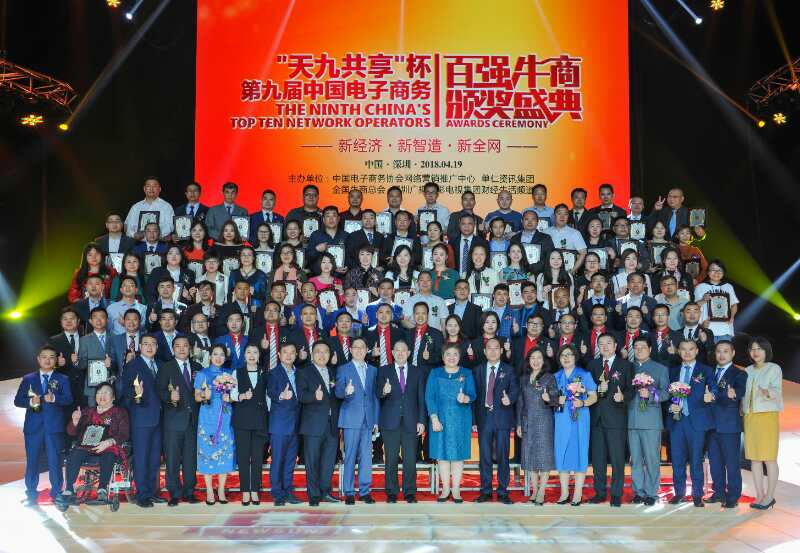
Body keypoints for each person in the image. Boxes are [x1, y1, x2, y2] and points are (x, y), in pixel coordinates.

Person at [15, 344, 73, 506]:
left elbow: (68, 399)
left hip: (53, 427)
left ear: (56, 361)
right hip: (33, 428)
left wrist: (54, 398)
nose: (48, 360)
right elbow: (18, 400)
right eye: (44, 357)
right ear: (38, 359)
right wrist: (30, 402)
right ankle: (31, 494)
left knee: (55, 461)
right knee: (32, 461)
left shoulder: (62, 379)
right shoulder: (28, 379)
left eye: (51, 357)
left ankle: (57, 493)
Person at [61, 383, 129, 505]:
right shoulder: (88, 411)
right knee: (75, 452)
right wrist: (75, 421)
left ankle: (102, 489)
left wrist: (109, 442)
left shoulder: (119, 412)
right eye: (99, 393)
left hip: (108, 447)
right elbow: (71, 432)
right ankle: (69, 489)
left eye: (106, 392)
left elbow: (124, 433)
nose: (102, 395)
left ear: (113, 397)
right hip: (86, 448)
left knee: (109, 454)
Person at [666, 339, 714, 507]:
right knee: (677, 459)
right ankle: (679, 493)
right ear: (678, 351)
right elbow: (666, 393)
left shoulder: (706, 370)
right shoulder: (672, 371)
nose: (687, 352)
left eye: (691, 349)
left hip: (696, 421)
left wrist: (711, 395)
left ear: (696, 351)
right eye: (683, 349)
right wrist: (671, 406)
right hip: (676, 421)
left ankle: (697, 495)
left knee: (696, 460)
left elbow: (713, 389)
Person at [377, 339, 426, 503]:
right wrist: (384, 391)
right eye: (397, 350)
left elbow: (421, 398)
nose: (400, 353)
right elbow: (377, 394)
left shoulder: (417, 371)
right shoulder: (383, 371)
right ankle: (391, 492)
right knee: (391, 459)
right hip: (389, 422)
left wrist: (421, 420)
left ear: (409, 353)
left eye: (403, 350)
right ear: (392, 353)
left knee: (410, 460)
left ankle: (409, 492)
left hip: (411, 421)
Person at [426, 343, 476, 502]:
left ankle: (456, 489)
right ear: (443, 357)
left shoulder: (466, 373)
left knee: (457, 455)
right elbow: (429, 397)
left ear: (459, 357)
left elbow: (473, 394)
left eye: (455, 354)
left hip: (461, 420)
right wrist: (434, 418)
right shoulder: (435, 373)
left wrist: (466, 398)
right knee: (441, 455)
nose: (451, 357)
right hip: (439, 420)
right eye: (448, 354)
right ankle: (445, 488)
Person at [587, 334, 633, 506]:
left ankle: (616, 494)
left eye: (608, 343)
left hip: (616, 418)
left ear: (615, 345)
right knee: (598, 460)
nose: (605, 346)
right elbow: (587, 389)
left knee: (617, 459)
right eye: (601, 344)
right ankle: (599, 492)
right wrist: (598, 389)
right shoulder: (592, 365)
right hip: (596, 419)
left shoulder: (626, 365)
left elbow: (631, 389)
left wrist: (623, 397)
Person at [119, 335, 164, 507]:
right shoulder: (133, 365)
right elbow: (124, 391)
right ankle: (142, 494)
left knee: (154, 458)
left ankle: (152, 492)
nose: (149, 347)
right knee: (142, 458)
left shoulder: (160, 364)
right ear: (140, 347)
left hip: (159, 418)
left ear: (157, 347)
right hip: (141, 418)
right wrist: (136, 394)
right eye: (146, 344)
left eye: (153, 344)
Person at [473, 338, 519, 504]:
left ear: (501, 351)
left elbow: (515, 390)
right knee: (484, 457)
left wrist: (510, 399)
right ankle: (485, 490)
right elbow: (474, 396)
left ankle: (502, 491)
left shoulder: (509, 370)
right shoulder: (477, 370)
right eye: (489, 348)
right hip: (484, 418)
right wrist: (474, 420)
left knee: (502, 456)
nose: (492, 351)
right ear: (484, 352)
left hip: (502, 418)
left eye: (496, 348)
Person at [157, 336, 201, 506]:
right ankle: (174, 493)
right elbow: (159, 390)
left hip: (193, 421)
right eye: (178, 346)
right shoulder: (166, 367)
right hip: (173, 421)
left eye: (185, 345)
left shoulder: (197, 367)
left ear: (190, 348)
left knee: (191, 460)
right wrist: (170, 396)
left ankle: (189, 492)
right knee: (173, 459)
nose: (182, 349)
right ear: (173, 348)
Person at [336, 337, 379, 504]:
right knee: (350, 456)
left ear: (367, 350)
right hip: (351, 418)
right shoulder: (343, 369)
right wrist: (346, 391)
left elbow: (374, 397)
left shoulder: (373, 370)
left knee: (366, 457)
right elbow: (338, 392)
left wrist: (376, 420)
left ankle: (365, 491)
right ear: (350, 350)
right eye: (356, 347)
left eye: (362, 347)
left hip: (368, 419)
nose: (359, 350)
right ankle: (349, 492)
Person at [297, 341, 341, 506]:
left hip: (331, 425)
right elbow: (301, 396)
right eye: (318, 351)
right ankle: (314, 495)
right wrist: (313, 396)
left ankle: (325, 492)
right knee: (312, 462)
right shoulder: (304, 372)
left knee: (328, 462)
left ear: (329, 355)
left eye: (325, 352)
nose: (322, 355)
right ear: (312, 354)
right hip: (313, 425)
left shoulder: (332, 372)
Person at [626, 337, 669, 505]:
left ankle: (651, 493)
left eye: (643, 347)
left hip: (651, 421)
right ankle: (638, 492)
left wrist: (651, 395)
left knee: (652, 459)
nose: (639, 350)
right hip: (631, 420)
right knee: (635, 459)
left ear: (650, 349)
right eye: (636, 347)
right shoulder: (628, 367)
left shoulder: (660, 369)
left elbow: (666, 393)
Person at [553, 344, 597, 506]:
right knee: (562, 452)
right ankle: (564, 493)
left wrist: (583, 403)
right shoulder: (555, 376)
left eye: (569, 355)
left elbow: (594, 396)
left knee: (580, 451)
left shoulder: (584, 375)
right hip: (561, 418)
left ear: (575, 357)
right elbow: (549, 398)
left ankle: (577, 493)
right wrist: (555, 400)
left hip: (580, 418)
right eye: (563, 355)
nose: (566, 358)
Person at [705, 340, 747, 508]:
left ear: (733, 353)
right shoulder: (709, 372)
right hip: (710, 424)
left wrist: (734, 394)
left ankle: (733, 496)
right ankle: (719, 493)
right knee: (715, 462)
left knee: (732, 463)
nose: (722, 355)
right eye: (719, 351)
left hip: (729, 425)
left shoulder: (739, 373)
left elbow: (740, 391)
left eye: (725, 351)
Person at [743, 337, 783, 510]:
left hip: (767, 416)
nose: (755, 352)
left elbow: (777, 391)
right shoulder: (747, 370)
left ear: (766, 351)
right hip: (750, 417)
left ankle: (770, 496)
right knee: (755, 459)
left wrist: (767, 392)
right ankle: (759, 494)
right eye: (752, 349)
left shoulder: (774, 368)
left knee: (769, 458)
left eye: (759, 348)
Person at [193, 344, 235, 504]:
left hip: (225, 415)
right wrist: (206, 395)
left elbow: (234, 395)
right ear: (210, 356)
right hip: (208, 415)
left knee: (225, 451)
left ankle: (221, 490)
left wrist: (229, 397)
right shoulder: (202, 374)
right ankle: (210, 490)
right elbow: (197, 397)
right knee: (207, 451)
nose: (218, 357)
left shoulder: (229, 374)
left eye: (221, 355)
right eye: (215, 354)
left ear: (225, 357)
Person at [516, 348, 558, 505]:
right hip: (528, 421)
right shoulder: (523, 379)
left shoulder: (549, 378)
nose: (536, 361)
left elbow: (556, 398)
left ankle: (542, 491)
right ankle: (534, 491)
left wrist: (549, 398)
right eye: (532, 358)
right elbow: (520, 403)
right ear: (528, 361)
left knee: (544, 456)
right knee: (531, 457)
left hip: (544, 421)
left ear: (543, 360)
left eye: (539, 357)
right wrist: (518, 423)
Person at [231, 344, 269, 506]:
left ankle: (255, 490)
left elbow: (268, 397)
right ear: (244, 355)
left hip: (260, 420)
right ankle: (245, 491)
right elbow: (231, 394)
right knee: (243, 457)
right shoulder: (237, 372)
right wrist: (241, 396)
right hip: (242, 420)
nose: (252, 355)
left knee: (258, 457)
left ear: (259, 355)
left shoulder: (265, 373)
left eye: (255, 352)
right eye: (248, 352)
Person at [267, 342, 302, 506]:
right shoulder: (273, 373)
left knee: (290, 461)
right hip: (280, 424)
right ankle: (277, 493)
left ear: (296, 355)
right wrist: (281, 395)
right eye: (285, 352)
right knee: (278, 460)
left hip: (296, 424)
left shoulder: (300, 373)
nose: (289, 355)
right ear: (279, 355)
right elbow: (271, 392)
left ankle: (288, 491)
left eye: (292, 352)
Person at [77, 307, 116, 407]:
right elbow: (82, 366)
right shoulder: (84, 340)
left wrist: (111, 363)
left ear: (107, 320)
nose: (98, 320)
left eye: (102, 317)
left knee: (111, 414)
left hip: (111, 384)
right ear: (90, 321)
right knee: (93, 414)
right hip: (92, 387)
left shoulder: (115, 338)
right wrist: (76, 361)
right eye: (95, 317)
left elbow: (119, 361)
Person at [694, 260, 738, 342]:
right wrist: (703, 300)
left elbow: (734, 305)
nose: (716, 272)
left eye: (719, 270)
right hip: (707, 328)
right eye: (713, 270)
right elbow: (694, 307)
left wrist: (731, 317)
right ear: (708, 272)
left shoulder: (728, 287)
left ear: (723, 273)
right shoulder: (700, 287)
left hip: (725, 329)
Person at [510, 210, 554, 274]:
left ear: (537, 222)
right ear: (522, 221)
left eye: (533, 219)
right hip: (518, 274)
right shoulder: (515, 238)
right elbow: (511, 258)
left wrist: (533, 270)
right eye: (526, 219)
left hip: (540, 274)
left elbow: (550, 257)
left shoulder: (546, 238)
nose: (530, 222)